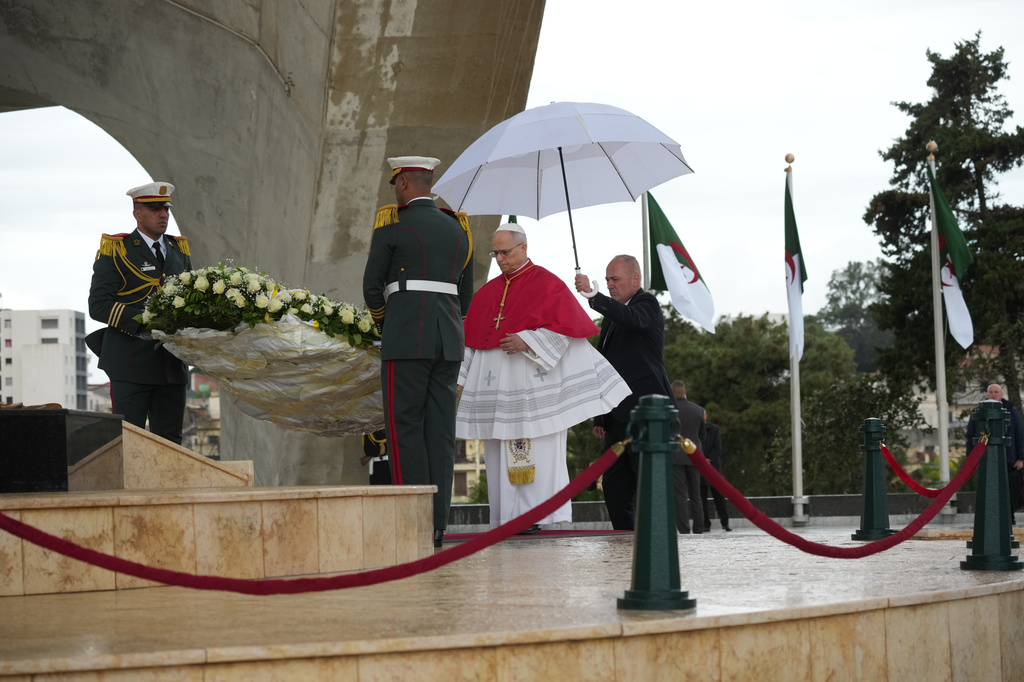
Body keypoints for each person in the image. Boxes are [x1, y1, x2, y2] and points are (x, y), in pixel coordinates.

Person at [456, 224, 629, 532]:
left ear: (523, 248)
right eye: (495, 253)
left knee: (544, 452)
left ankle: (546, 518)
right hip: (499, 397)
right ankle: (506, 519)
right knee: (498, 454)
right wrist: (459, 379)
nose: (499, 259)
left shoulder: (549, 285)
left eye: (505, 252)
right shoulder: (486, 294)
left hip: (536, 392)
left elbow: (567, 330)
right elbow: (472, 341)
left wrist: (529, 341)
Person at [362, 156, 474, 547]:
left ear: (405, 184)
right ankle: (438, 524)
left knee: (403, 426)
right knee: (440, 431)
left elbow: (373, 288)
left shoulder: (393, 225)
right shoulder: (459, 229)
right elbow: (466, 298)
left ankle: (411, 520)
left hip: (406, 337)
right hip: (448, 341)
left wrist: (387, 324)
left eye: (396, 184)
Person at [85, 182, 193, 444]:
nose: (163, 214)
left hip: (172, 364)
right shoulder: (118, 250)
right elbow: (98, 305)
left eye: (165, 208)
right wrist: (145, 320)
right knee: (128, 442)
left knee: (170, 443)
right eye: (154, 208)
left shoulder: (179, 251)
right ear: (137, 213)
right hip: (130, 364)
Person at [575, 255, 673, 530]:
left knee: (648, 486)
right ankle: (626, 543)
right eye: (606, 280)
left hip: (646, 415)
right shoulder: (612, 316)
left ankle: (658, 543)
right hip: (616, 416)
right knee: (615, 490)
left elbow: (635, 320)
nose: (610, 285)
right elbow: (604, 365)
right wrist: (600, 417)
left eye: (615, 279)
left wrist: (595, 298)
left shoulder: (646, 304)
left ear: (635, 279)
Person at [966, 383, 1024, 517]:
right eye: (991, 392)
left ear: (1001, 394)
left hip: (1008, 459)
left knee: (1009, 492)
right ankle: (989, 517)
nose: (993, 394)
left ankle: (1008, 517)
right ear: (987, 394)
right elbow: (971, 436)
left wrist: (1021, 458)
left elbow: (1019, 434)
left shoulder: (1011, 411)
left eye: (996, 392)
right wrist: (971, 458)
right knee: (988, 491)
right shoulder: (978, 412)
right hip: (984, 459)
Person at [671, 379, 706, 534]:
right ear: (685, 392)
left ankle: (684, 530)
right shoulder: (698, 410)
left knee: (680, 495)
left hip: (676, 457)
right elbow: (702, 435)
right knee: (696, 495)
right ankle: (699, 528)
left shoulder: (669, 410)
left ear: (672, 392)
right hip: (694, 455)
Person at [700, 420, 732, 531]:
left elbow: (717, 447)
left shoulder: (714, 429)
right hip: (700, 465)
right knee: (701, 497)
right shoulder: (696, 429)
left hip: (713, 467)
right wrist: (702, 459)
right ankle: (705, 524)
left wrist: (707, 459)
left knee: (719, 496)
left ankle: (725, 522)